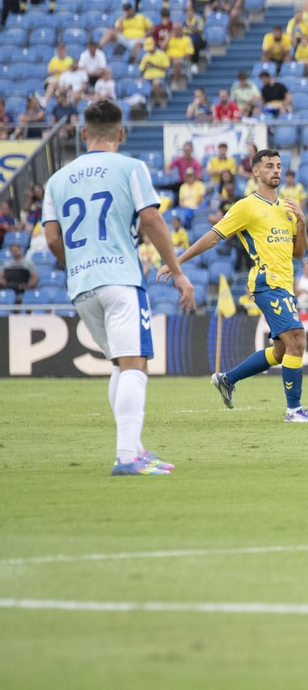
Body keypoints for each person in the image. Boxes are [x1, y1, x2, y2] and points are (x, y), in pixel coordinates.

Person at [41, 100, 196, 474]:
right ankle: (126, 456)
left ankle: (135, 449)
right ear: (121, 134)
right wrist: (177, 272)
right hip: (121, 278)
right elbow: (151, 220)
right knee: (134, 365)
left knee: (120, 363)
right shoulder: (130, 167)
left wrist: (77, 265)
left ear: (83, 133)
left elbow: (51, 238)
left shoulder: (56, 179)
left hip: (82, 285)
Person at [164, 148, 308, 422]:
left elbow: (299, 253)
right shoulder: (246, 206)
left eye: (278, 166)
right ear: (255, 171)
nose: (276, 170)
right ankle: (294, 411)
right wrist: (177, 262)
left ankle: (227, 379)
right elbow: (213, 237)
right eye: (269, 166)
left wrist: (302, 223)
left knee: (282, 351)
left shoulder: (287, 209)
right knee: (297, 339)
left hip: (285, 284)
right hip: (267, 282)